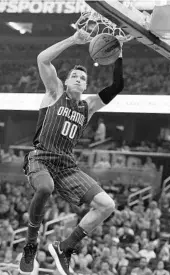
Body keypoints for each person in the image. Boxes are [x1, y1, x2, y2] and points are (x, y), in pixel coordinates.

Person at [19, 29, 124, 275]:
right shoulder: (55, 92)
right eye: (73, 76)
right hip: (41, 157)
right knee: (45, 187)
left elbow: (118, 84)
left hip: (67, 165)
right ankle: (31, 244)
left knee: (107, 205)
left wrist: (119, 51)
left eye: (81, 77)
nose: (77, 79)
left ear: (86, 84)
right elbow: (42, 59)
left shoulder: (89, 105)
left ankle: (65, 247)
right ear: (66, 81)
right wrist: (73, 40)